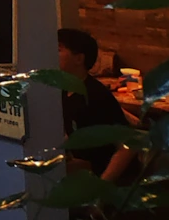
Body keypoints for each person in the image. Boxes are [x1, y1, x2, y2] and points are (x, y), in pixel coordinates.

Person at [58, 27, 136, 184]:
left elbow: (128, 147)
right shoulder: (63, 90)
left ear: (79, 59)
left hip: (109, 182)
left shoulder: (96, 95)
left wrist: (101, 190)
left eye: (58, 50)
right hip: (83, 173)